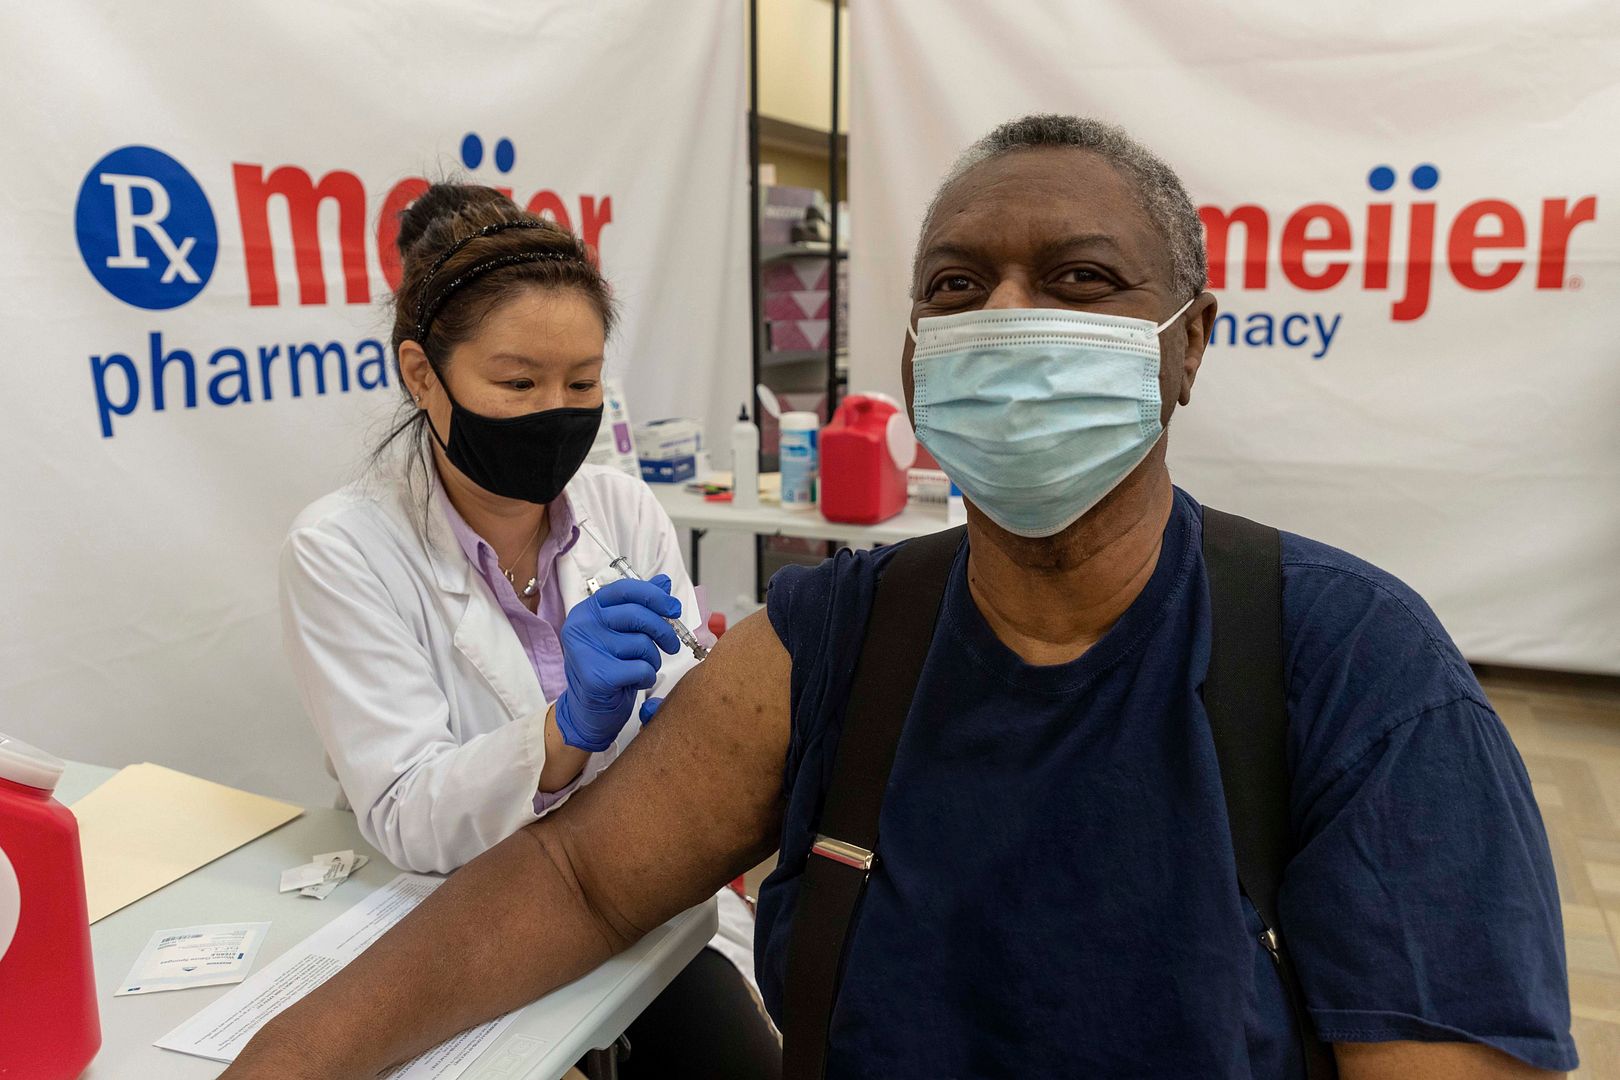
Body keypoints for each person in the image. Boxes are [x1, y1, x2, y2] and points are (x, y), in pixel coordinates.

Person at [229, 118, 1576, 1079]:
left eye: (1081, 280)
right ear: (922, 360)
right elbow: (580, 877)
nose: (1008, 319)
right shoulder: (833, 642)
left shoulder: (1351, 669)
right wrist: (279, 1065)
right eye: (956, 287)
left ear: (1190, 342)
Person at [276, 183, 780, 1079]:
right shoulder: (341, 550)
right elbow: (406, 814)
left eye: (582, 382)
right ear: (422, 375)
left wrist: (708, 711)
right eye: (518, 383)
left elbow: (681, 718)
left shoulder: (620, 508)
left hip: (638, 888)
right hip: (466, 909)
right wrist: (565, 732)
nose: (557, 410)